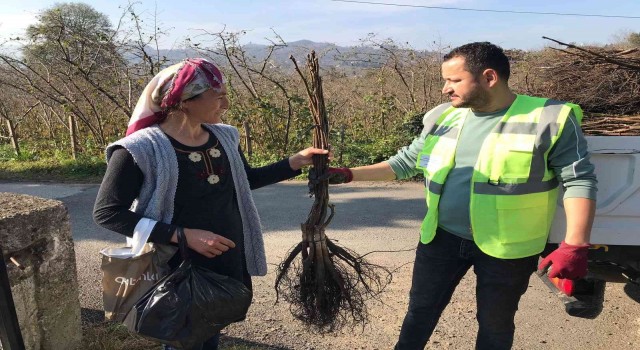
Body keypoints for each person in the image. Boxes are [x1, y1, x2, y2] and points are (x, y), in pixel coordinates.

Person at [327, 42, 597, 349]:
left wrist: (575, 244)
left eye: (454, 81)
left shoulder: (550, 118)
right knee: (420, 313)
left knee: (495, 324)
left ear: (489, 78)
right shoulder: (443, 117)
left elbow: (578, 180)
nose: (445, 89)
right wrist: (347, 174)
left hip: (507, 249)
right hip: (441, 239)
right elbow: (405, 163)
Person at [93, 58, 327, 350]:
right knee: (183, 338)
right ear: (184, 101)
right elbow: (107, 213)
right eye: (218, 97)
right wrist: (182, 235)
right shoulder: (139, 149)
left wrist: (294, 162)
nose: (225, 104)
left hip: (225, 257)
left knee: (210, 330)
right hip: (178, 266)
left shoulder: (224, 136)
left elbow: (246, 179)